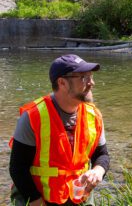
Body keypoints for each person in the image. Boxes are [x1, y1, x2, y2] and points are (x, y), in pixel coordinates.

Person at [9, 54, 110, 206]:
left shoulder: (94, 116)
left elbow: (102, 155)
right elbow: (18, 168)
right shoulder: (32, 117)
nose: (92, 83)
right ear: (62, 83)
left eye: (91, 76)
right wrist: (36, 201)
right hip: (36, 196)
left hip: (78, 195)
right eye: (84, 78)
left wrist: (98, 171)